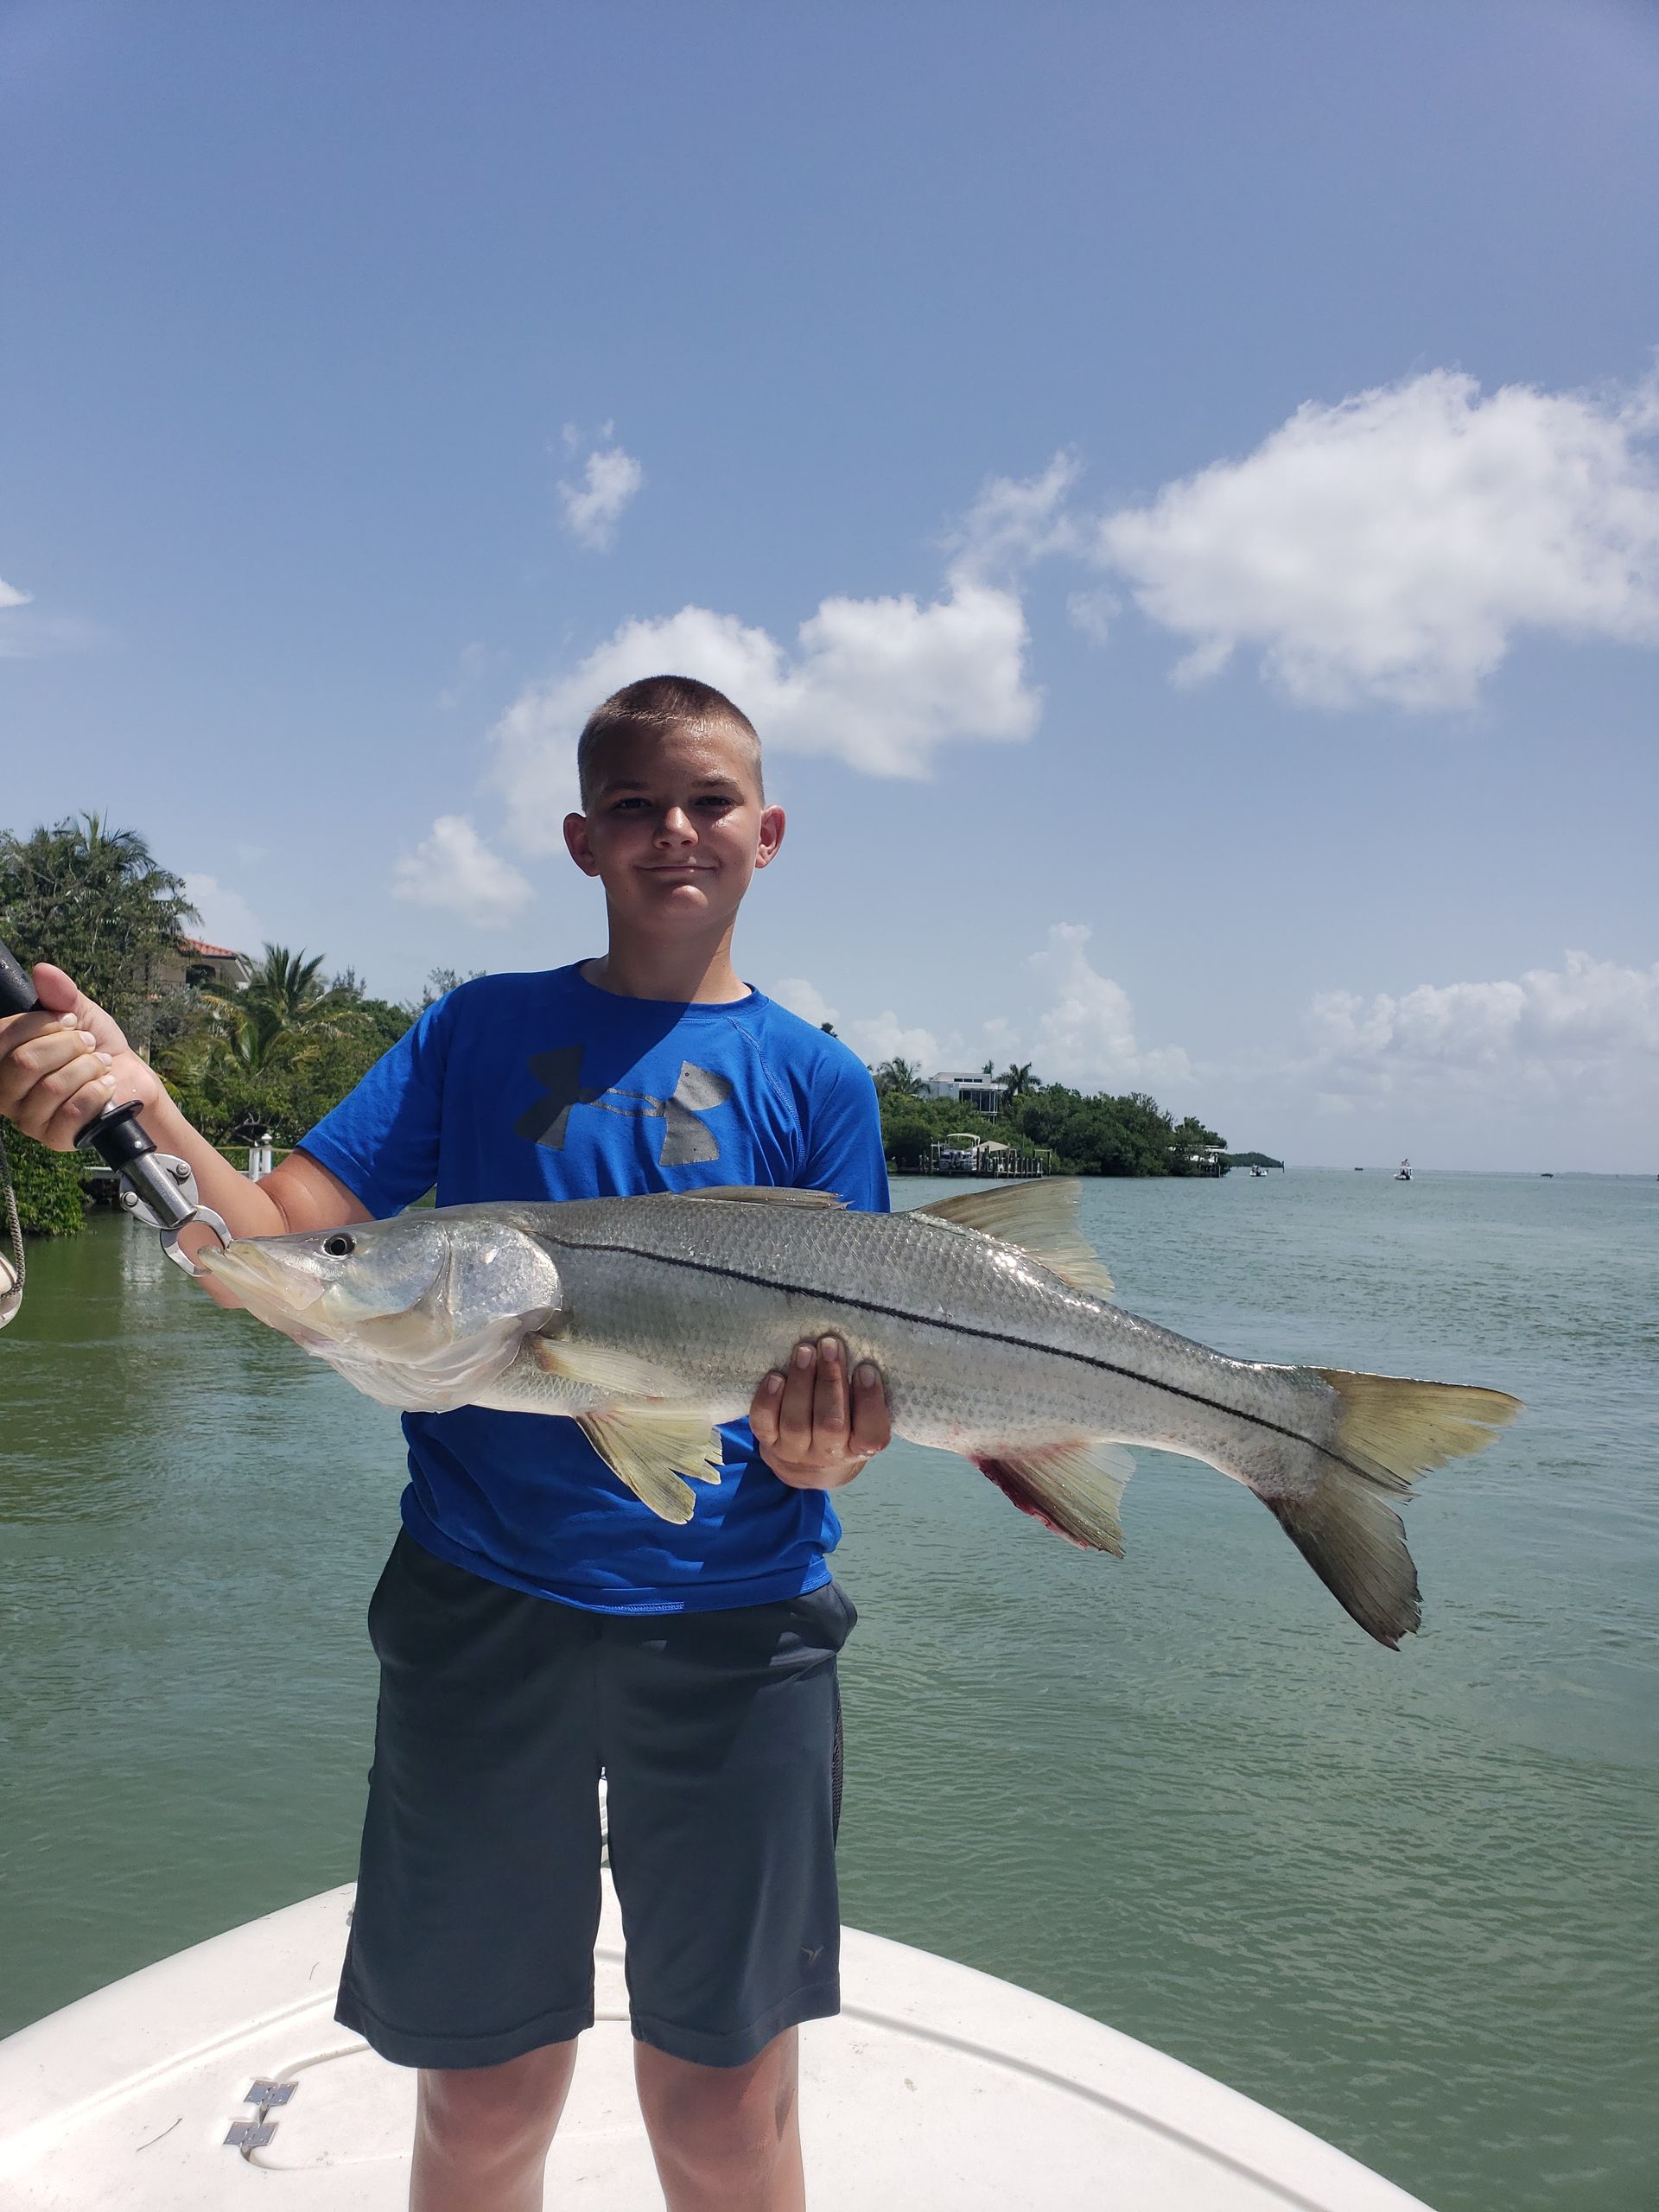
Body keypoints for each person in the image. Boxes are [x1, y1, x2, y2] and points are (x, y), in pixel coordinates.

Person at [0, 674, 893, 2212]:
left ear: (770, 832)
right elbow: (282, 1243)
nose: (672, 832)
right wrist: (143, 1094)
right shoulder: (479, 1029)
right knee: (479, 2104)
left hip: (745, 1630)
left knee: (726, 2117)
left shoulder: (820, 1085)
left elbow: (848, 1386)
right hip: (482, 1616)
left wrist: (829, 1452)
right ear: (578, 838)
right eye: (633, 806)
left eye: (707, 804)